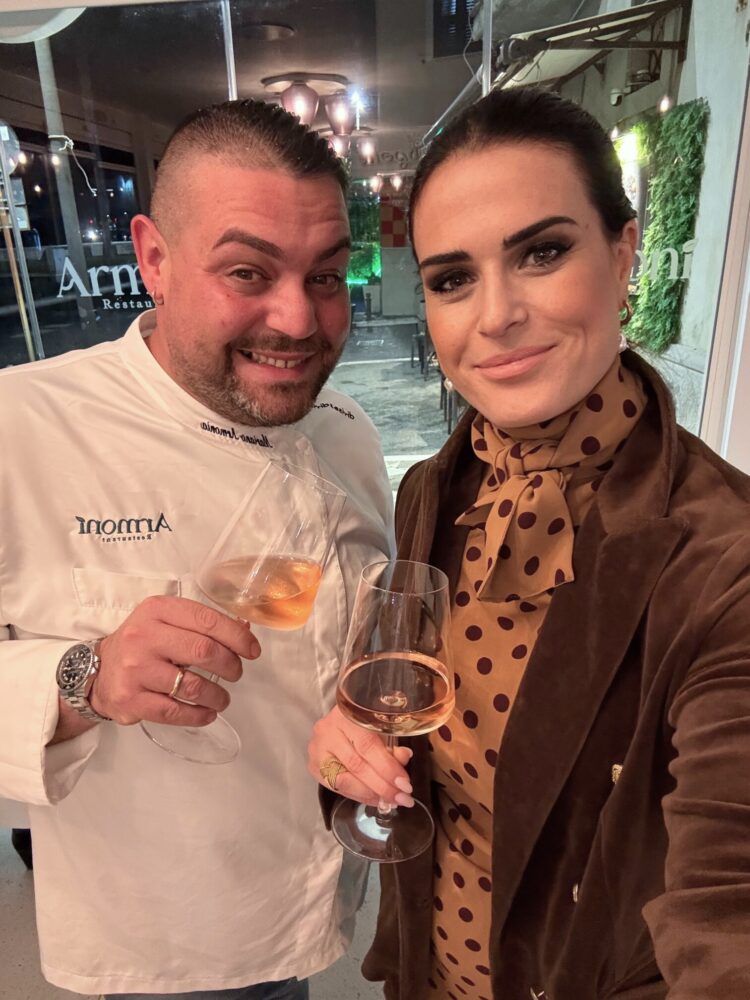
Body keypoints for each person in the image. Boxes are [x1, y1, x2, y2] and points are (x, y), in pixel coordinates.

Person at [309, 85, 750, 999]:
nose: (496, 315)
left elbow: (726, 903)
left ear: (624, 254)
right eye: (452, 279)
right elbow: (398, 723)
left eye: (542, 253)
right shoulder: (434, 490)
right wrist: (349, 752)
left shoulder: (724, 561)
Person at [0, 99, 393, 999]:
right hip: (165, 946)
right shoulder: (20, 427)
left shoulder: (348, 433)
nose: (298, 321)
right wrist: (85, 677)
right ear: (154, 259)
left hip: (325, 908)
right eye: (248, 272)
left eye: (327, 276)